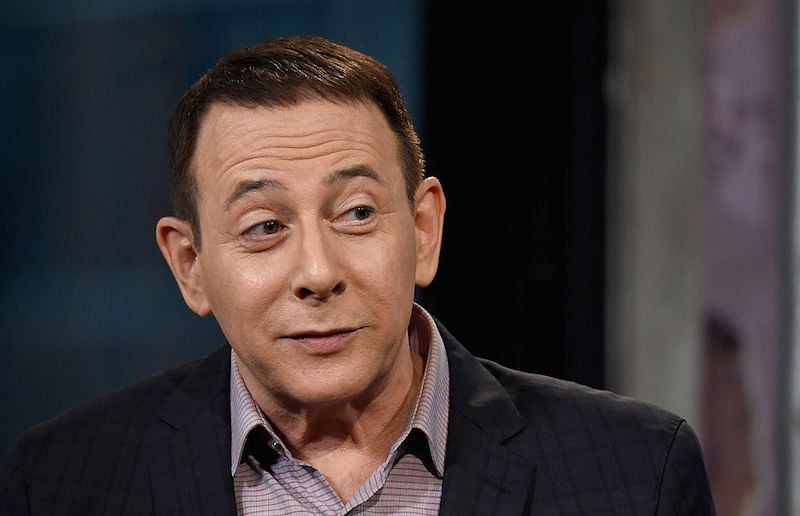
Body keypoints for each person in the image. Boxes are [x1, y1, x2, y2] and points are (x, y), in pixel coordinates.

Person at [0, 34, 716, 515]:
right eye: (264, 227)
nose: (317, 273)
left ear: (424, 229)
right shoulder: (65, 481)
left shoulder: (634, 474)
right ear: (190, 266)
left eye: (357, 213)